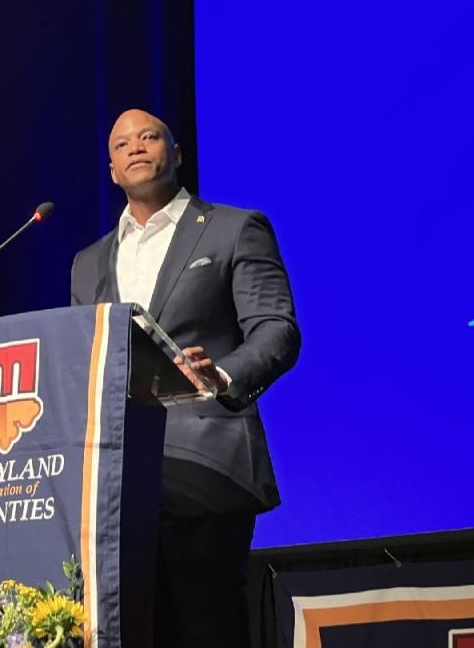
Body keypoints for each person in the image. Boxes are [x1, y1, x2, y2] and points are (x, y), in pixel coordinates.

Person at [70, 109, 301, 647]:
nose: (136, 148)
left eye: (149, 137)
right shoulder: (87, 262)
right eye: (122, 143)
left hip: (205, 469)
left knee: (206, 632)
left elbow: (276, 330)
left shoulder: (234, 228)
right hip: (116, 486)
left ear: (175, 153)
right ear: (111, 169)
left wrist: (219, 375)